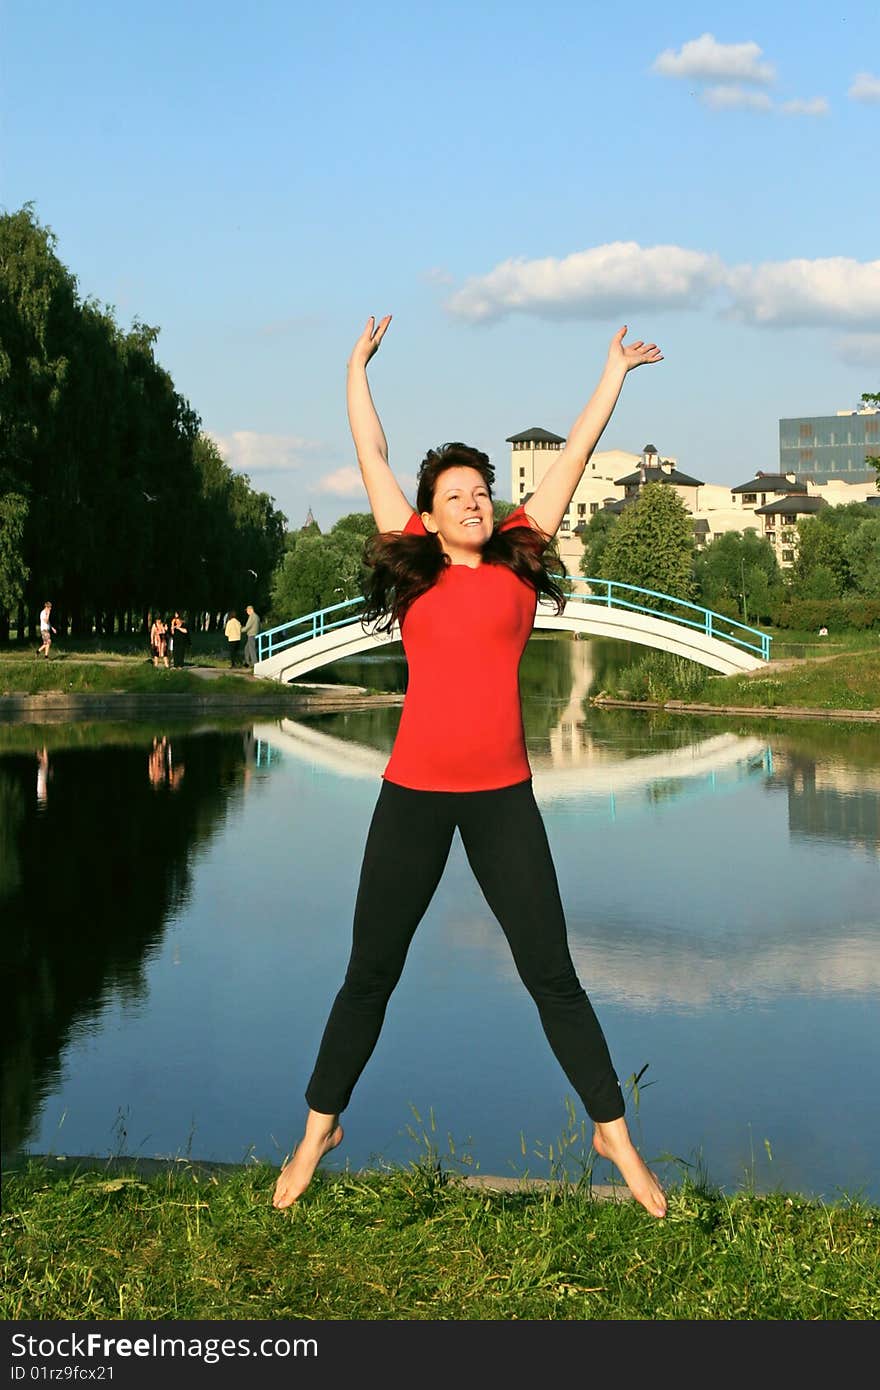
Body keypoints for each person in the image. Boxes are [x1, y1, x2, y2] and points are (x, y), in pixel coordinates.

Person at [272, 314, 668, 1220]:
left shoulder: (522, 559)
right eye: (457, 495)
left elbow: (573, 454)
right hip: (411, 796)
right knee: (369, 972)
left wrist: (611, 374)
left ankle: (614, 1136)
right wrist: (355, 368)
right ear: (430, 511)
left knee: (552, 975)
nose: (475, 503)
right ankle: (315, 1132)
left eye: (482, 491)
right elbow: (370, 449)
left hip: (502, 801)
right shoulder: (414, 568)